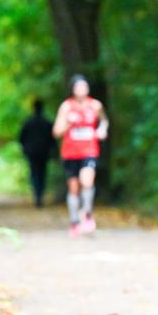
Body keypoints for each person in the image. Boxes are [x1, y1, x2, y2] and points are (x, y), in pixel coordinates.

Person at [53, 75, 108, 238]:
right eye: (78, 87)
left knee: (87, 181)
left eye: (84, 87)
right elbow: (56, 132)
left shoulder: (95, 105)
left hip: (89, 150)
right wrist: (68, 122)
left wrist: (102, 129)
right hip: (70, 152)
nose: (81, 90)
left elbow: (104, 121)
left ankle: (88, 214)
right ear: (73, 89)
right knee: (74, 188)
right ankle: (74, 221)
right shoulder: (66, 107)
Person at [18, 99, 56, 207]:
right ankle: (39, 194)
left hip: (32, 152)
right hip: (43, 152)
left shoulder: (28, 122)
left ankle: (37, 194)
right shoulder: (47, 122)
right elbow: (52, 139)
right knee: (42, 174)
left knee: (34, 173)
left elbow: (21, 138)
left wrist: (25, 148)